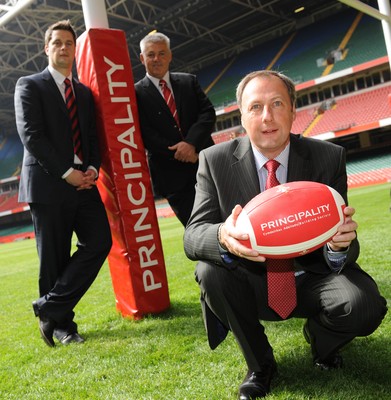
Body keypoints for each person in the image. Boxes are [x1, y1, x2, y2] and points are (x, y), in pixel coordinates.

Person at [184, 70, 387, 399]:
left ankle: (321, 342)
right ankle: (261, 365)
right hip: (251, 282)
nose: (267, 116)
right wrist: (224, 235)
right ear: (241, 115)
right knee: (209, 270)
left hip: (312, 277)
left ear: (294, 111)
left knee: (363, 305)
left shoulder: (327, 157)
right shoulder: (214, 160)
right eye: (255, 107)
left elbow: (343, 239)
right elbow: (193, 236)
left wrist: (338, 245)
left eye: (277, 104)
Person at [14, 20, 112, 347]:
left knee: (99, 241)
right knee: (53, 259)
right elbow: (32, 136)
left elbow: (92, 137)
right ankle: (62, 327)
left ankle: (48, 307)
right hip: (48, 185)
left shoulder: (83, 93)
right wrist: (65, 172)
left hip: (85, 184)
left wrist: (93, 168)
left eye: (69, 43)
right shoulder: (29, 85)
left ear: (75, 48)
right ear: (46, 47)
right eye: (56, 42)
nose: (63, 48)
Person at [134, 32, 216, 226]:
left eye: (162, 53)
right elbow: (144, 133)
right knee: (196, 228)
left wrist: (191, 144)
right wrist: (180, 151)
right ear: (142, 58)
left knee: (227, 220)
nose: (157, 59)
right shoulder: (134, 93)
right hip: (172, 177)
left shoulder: (189, 81)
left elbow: (208, 114)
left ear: (170, 55)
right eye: (151, 54)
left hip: (206, 165)